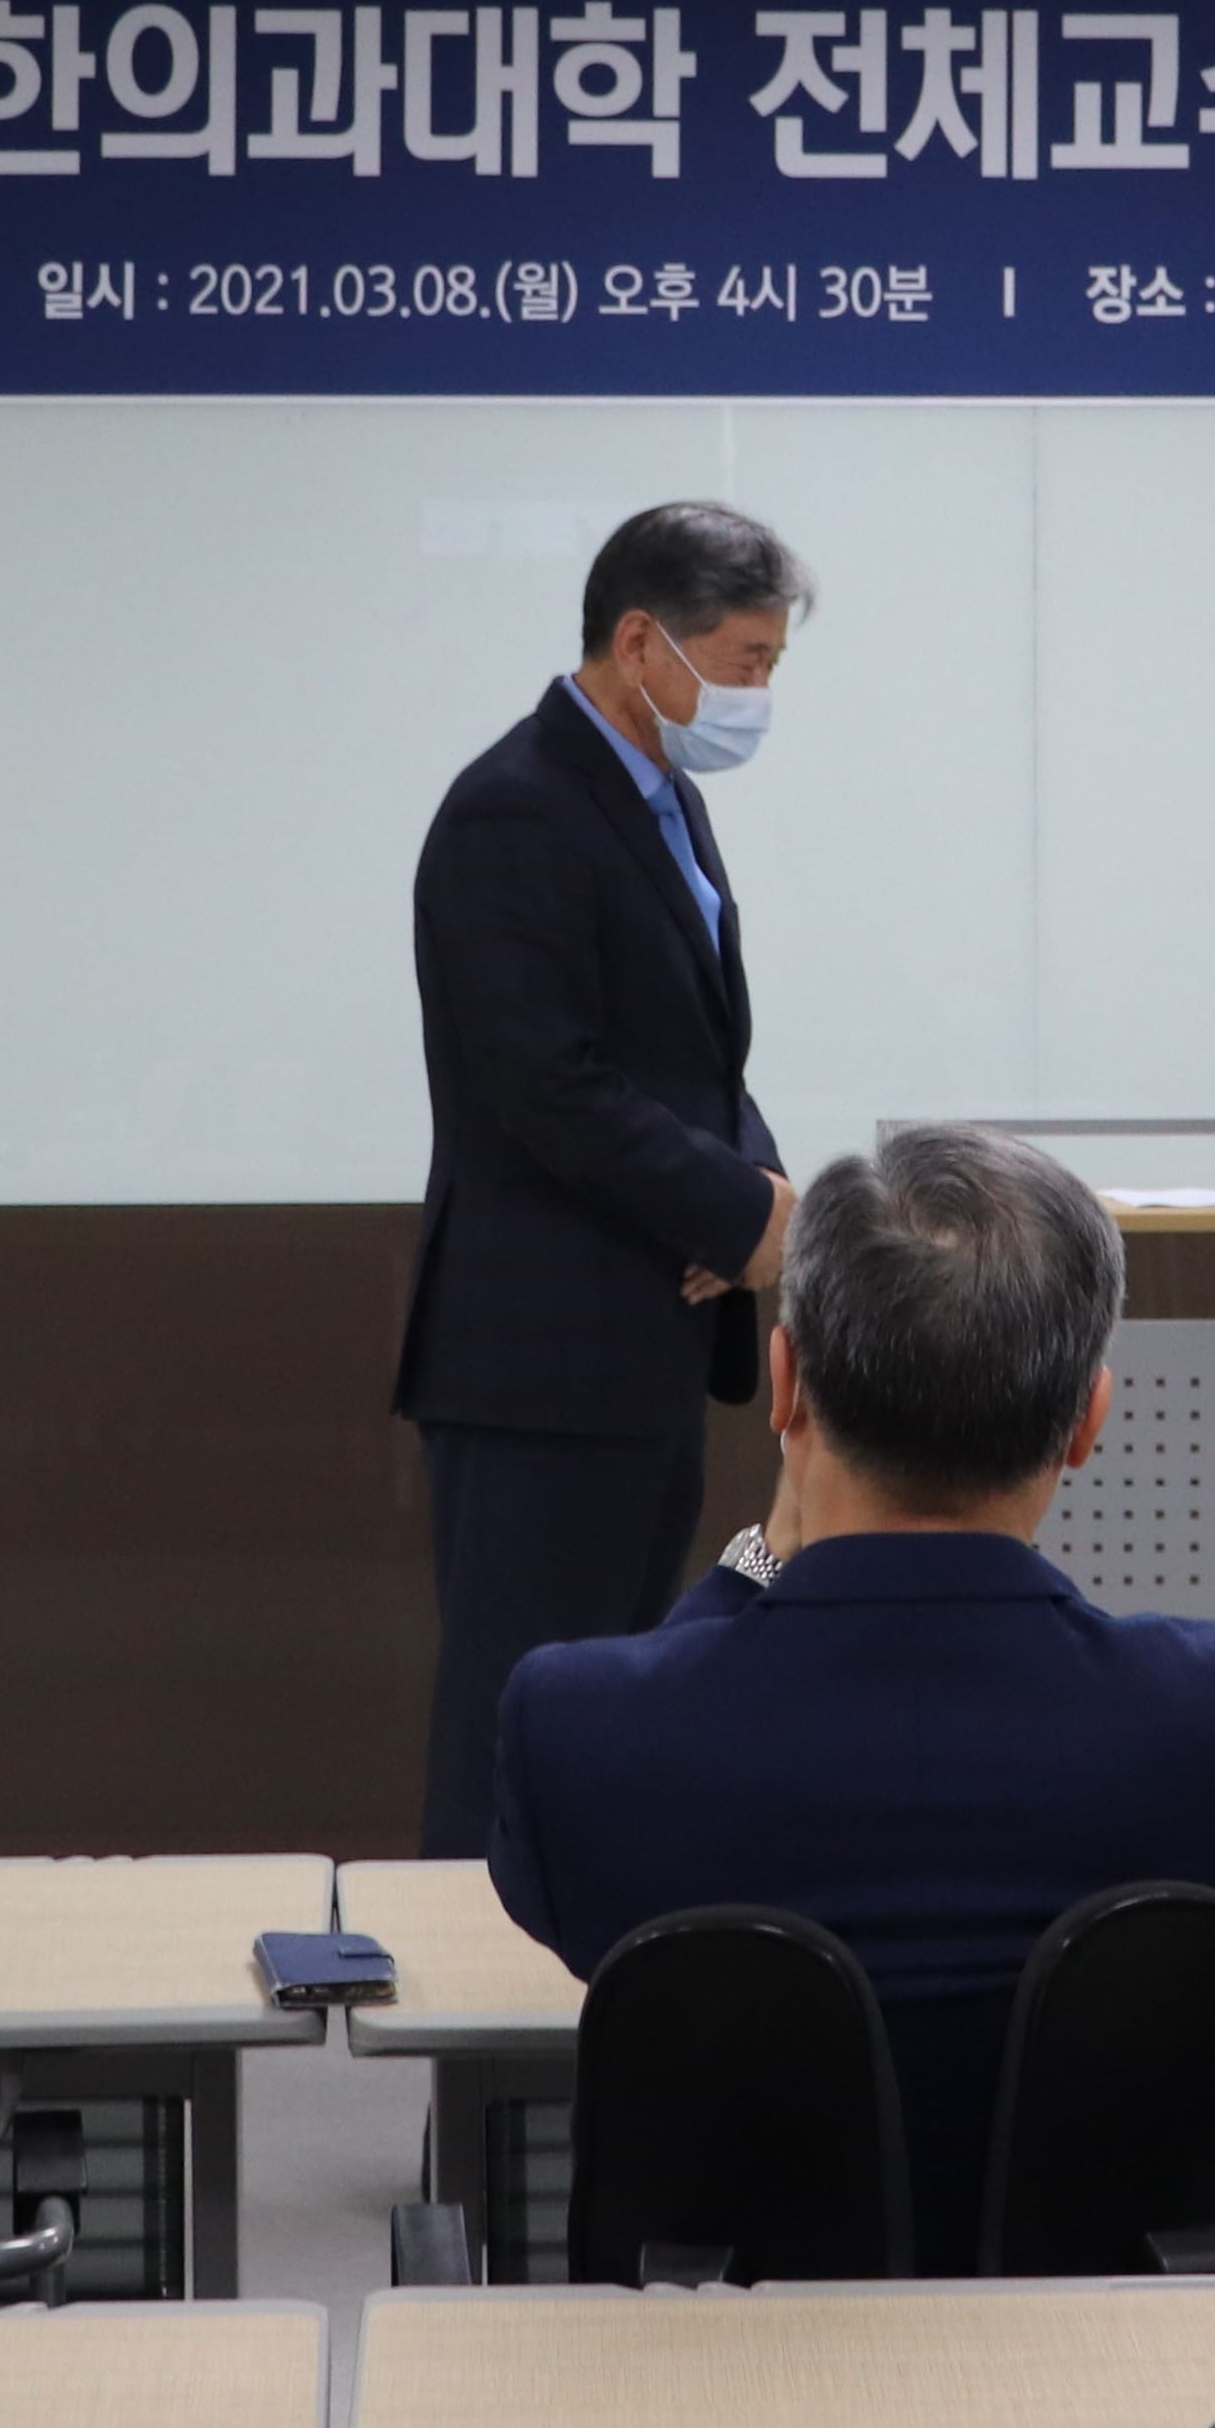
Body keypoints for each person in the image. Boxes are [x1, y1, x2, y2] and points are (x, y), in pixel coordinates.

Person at [488, 1121, 1215, 2274]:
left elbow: (651, 1743)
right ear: (1088, 1419)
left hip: (721, 2371)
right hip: (1092, 2367)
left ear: (784, 1384)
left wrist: (755, 1563)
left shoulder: (576, 1729)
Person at [397, 502, 810, 1858]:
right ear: (641, 642)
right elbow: (543, 1082)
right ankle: (471, 1984)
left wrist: (752, 1180)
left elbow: (694, 1055)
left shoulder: (665, 798)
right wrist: (738, 1214)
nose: (759, 693)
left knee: (618, 1722)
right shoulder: (512, 807)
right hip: (538, 1362)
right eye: (745, 660)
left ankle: (597, 1973)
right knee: (519, 1719)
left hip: (645, 1342)